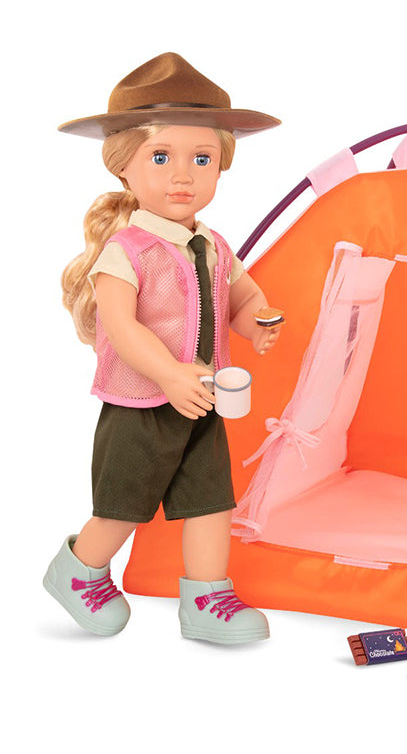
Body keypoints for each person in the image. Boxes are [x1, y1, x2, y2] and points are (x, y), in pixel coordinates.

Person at [43, 53, 281, 644]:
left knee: (210, 501)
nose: (183, 176)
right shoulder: (126, 250)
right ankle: (78, 570)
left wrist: (256, 323)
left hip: (202, 399)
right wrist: (171, 375)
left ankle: (206, 597)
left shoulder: (213, 243)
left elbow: (240, 294)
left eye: (202, 159)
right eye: (160, 157)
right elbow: (122, 327)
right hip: (141, 404)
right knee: (125, 502)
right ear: (123, 166)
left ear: (221, 166)